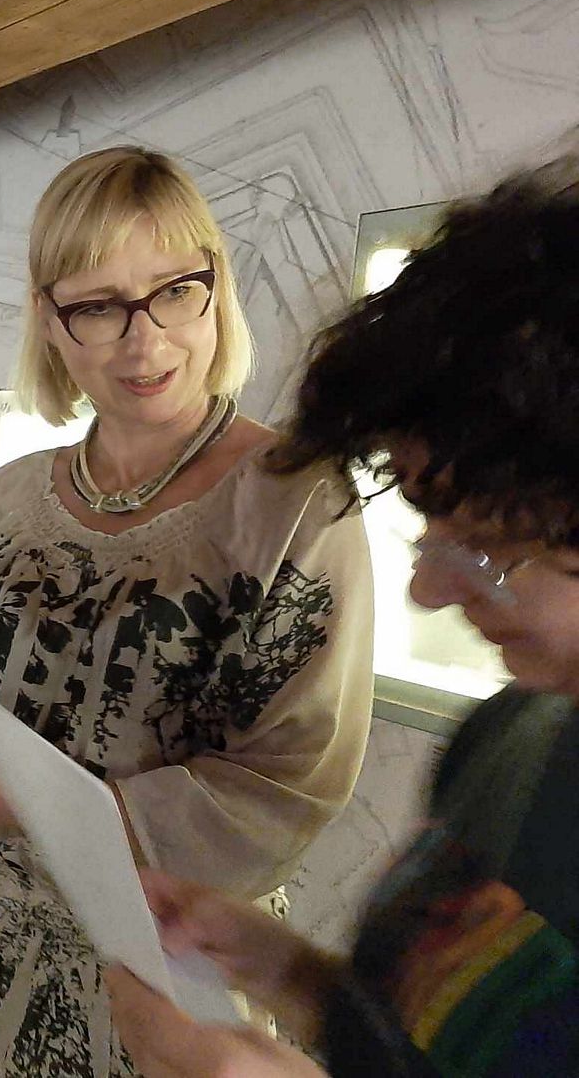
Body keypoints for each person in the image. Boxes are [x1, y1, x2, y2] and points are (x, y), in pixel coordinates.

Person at [0, 147, 376, 1076]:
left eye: (175, 291)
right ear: (50, 319)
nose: (144, 341)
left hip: (150, 976)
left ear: (216, 288)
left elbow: (283, 789)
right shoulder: (11, 499)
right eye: (99, 306)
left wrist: (14, 794)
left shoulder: (294, 502)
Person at [107, 157, 579, 1076]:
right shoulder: (510, 736)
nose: (428, 590)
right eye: (430, 528)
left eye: (491, 544)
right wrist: (287, 972)